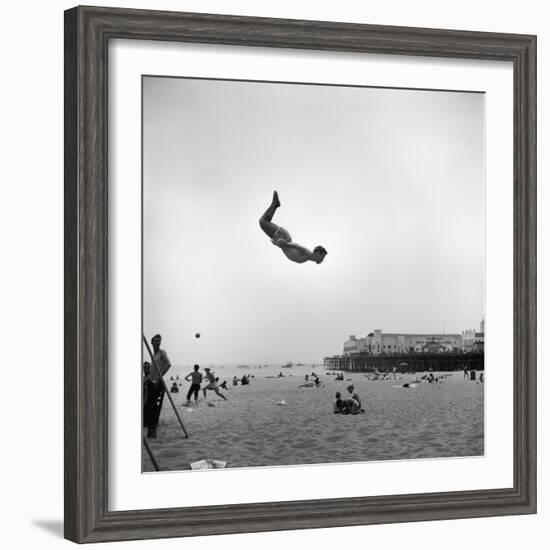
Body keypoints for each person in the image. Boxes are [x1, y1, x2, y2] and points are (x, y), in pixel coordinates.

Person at [259, 191, 327, 264]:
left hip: (282, 239)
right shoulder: (307, 253)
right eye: (322, 257)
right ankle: (275, 204)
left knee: (264, 222)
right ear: (318, 253)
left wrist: (278, 244)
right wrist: (284, 244)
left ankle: (275, 204)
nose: (322, 260)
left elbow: (289, 251)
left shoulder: (305, 259)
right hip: (283, 237)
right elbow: (296, 246)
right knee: (263, 222)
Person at [143, 334, 171, 438]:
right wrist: (145, 381)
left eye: (159, 341)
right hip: (151, 382)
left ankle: (153, 431)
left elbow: (168, 364)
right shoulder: (153, 355)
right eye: (156, 340)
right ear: (151, 342)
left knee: (153, 407)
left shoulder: (162, 353)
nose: (158, 342)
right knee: (149, 406)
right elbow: (152, 373)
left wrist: (158, 378)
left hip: (157, 383)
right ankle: (150, 430)